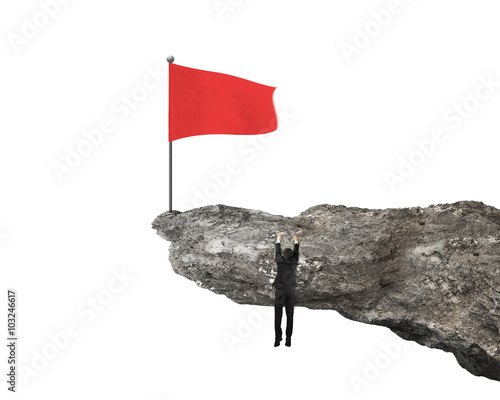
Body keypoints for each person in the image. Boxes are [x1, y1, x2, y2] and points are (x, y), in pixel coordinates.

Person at [272, 233, 299, 347]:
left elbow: (277, 251)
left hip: (280, 290)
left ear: (282, 255)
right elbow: (296, 252)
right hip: (290, 290)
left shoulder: (279, 260)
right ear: (292, 256)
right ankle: (288, 338)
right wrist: (296, 241)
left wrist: (278, 240)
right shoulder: (294, 261)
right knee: (290, 314)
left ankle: (277, 339)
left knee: (278, 315)